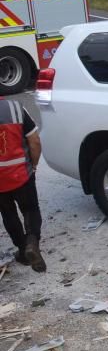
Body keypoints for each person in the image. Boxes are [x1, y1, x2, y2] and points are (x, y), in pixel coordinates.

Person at [0, 98, 45, 272]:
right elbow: (35, 142)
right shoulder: (15, 108)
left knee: (8, 213)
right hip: (21, 174)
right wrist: (33, 165)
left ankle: (22, 250)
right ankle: (32, 243)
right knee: (30, 209)